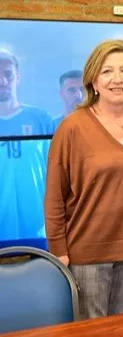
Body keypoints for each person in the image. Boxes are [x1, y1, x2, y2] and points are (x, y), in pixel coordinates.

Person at [44, 39, 123, 319]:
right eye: (107, 71)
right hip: (87, 252)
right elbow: (55, 195)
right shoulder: (72, 127)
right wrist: (58, 249)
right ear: (93, 81)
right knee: (93, 330)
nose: (117, 79)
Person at [0, 50, 53, 245]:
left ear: (18, 77)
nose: (3, 81)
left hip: (38, 227)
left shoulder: (41, 119)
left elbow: (56, 173)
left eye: (8, 74)